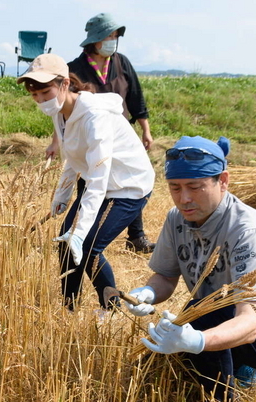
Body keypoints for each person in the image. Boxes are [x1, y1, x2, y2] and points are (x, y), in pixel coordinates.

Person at [124, 135, 256, 402]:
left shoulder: (248, 231)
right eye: (175, 188)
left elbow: (250, 322)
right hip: (223, 313)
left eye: (195, 187)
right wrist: (147, 293)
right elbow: (165, 277)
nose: (184, 198)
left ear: (223, 180)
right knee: (190, 318)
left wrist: (197, 342)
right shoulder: (177, 220)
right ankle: (237, 367)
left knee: (199, 322)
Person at [18, 54, 155, 315]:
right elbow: (73, 156)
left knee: (89, 247)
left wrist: (80, 231)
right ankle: (69, 311)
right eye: (34, 95)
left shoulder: (94, 116)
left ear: (65, 84)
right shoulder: (61, 113)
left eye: (45, 92)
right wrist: (62, 195)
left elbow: (99, 175)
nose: (41, 100)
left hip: (126, 186)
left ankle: (110, 309)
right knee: (65, 245)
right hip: (98, 182)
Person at [47, 13, 156, 254]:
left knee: (125, 182)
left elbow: (136, 97)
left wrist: (145, 129)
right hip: (88, 140)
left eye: (115, 36)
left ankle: (135, 236)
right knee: (91, 184)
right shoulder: (75, 68)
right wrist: (56, 142)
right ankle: (84, 235)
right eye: (108, 36)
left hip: (119, 135)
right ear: (94, 40)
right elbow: (63, 112)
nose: (113, 41)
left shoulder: (121, 62)